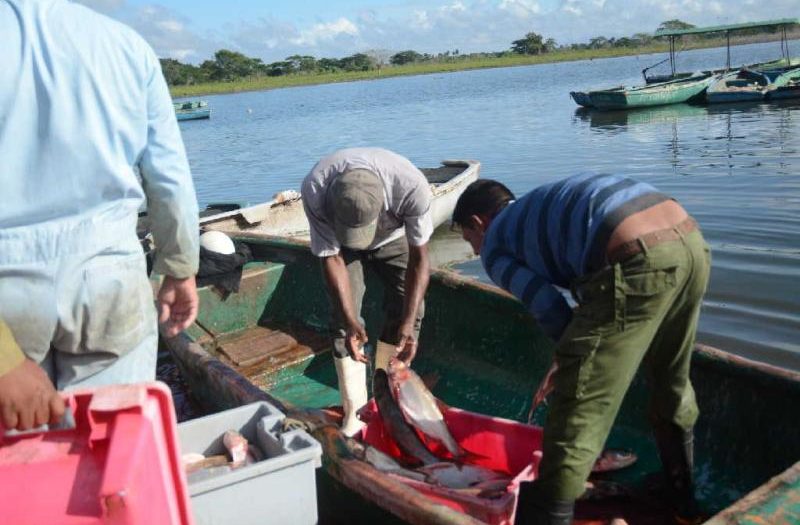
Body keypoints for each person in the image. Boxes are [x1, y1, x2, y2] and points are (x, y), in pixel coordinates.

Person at [451, 175, 711, 524]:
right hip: (690, 242)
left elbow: (549, 306)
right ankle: (682, 499)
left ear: (478, 223)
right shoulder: (536, 207)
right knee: (671, 378)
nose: (475, 251)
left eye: (470, 240)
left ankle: (548, 517)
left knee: (577, 403)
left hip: (636, 259)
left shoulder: (496, 244)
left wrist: (570, 360)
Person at [0, 0, 200, 430]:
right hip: (108, 278)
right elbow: (170, 181)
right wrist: (180, 268)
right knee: (114, 453)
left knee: (17, 476)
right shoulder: (126, 45)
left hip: (7, 290)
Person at [302, 147, 432, 436]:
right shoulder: (315, 188)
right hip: (341, 247)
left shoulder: (411, 187)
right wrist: (350, 319)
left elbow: (420, 260)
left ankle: (388, 403)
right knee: (342, 316)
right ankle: (355, 412)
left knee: (409, 310)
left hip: (395, 238)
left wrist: (409, 324)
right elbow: (331, 258)